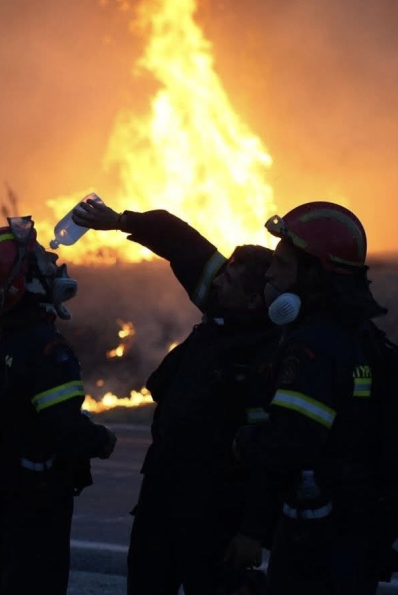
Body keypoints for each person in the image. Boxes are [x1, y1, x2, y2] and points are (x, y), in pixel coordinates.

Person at [72, 200, 278, 595]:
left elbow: (268, 455)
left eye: (229, 281)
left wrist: (252, 532)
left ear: (256, 301)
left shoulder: (267, 357)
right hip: (162, 498)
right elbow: (181, 240)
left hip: (217, 513)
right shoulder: (223, 307)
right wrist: (119, 221)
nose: (216, 282)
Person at [230, 201, 391, 595]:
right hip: (353, 531)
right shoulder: (361, 336)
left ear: (314, 276)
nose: (269, 274)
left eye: (282, 265)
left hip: (316, 540)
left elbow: (288, 445)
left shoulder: (313, 348)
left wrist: (243, 442)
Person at [0, 216, 118, 595]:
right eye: (40, 259)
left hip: (0, 490)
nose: (53, 262)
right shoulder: (46, 349)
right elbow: (63, 428)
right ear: (24, 282)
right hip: (38, 500)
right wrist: (100, 439)